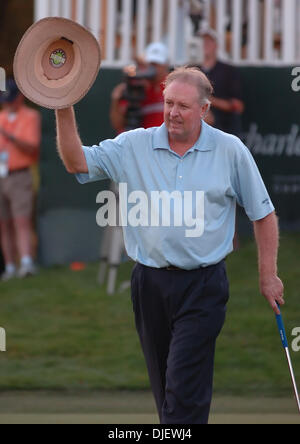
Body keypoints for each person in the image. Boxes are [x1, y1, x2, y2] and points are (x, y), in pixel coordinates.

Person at [55, 66, 284, 424]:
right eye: (168, 103)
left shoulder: (230, 150)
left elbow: (263, 214)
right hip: (149, 285)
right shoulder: (134, 144)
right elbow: (76, 161)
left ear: (204, 110)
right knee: (167, 394)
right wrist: (62, 105)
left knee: (182, 391)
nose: (173, 112)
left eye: (183, 106)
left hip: (204, 286)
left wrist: (267, 275)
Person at [0, 78, 41, 281]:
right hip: (1, 175)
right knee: (4, 223)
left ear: (20, 97)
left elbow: (32, 147)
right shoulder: (1, 117)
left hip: (20, 174)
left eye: (11, 99)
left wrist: (10, 136)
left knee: (21, 220)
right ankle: (9, 267)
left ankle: (26, 263)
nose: (7, 103)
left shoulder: (31, 116)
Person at [110, 42, 169, 133]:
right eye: (151, 64)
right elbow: (118, 125)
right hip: (143, 142)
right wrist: (116, 100)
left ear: (166, 65)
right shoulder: (137, 87)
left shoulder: (172, 86)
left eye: (157, 64)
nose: (153, 68)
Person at [197, 28, 245, 136]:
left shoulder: (229, 71)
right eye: (203, 41)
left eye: (209, 41)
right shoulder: (193, 70)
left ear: (216, 45)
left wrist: (207, 100)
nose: (205, 44)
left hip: (224, 128)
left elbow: (238, 106)